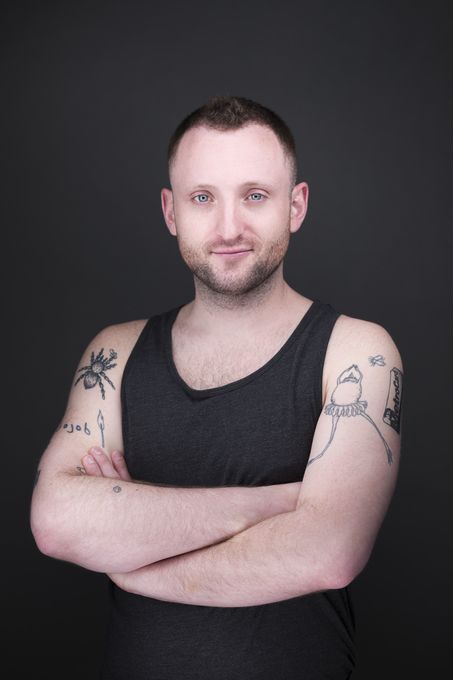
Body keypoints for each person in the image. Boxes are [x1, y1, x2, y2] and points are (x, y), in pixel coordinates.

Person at [30, 95, 404, 680]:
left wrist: (134, 563)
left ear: (296, 206)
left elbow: (329, 552)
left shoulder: (356, 351)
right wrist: (273, 505)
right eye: (202, 197)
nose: (229, 227)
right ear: (171, 211)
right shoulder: (116, 353)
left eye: (255, 195)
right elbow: (56, 521)